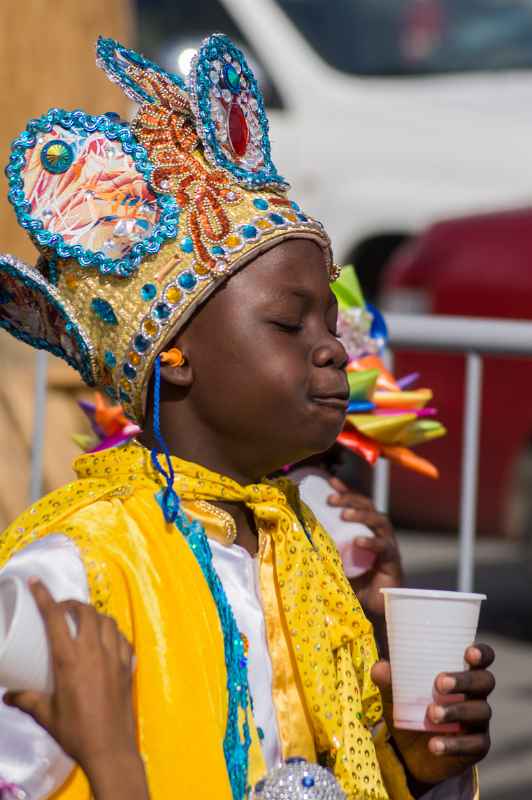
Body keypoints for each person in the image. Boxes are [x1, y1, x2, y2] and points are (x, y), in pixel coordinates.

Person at [0, 35, 494, 799]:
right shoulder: (75, 574)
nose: (332, 349)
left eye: (330, 324)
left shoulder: (308, 552)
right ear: (174, 354)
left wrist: (421, 757)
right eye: (289, 323)